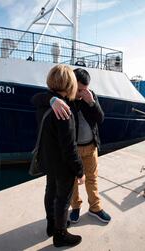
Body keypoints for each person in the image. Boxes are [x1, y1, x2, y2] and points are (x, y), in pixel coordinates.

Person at [33, 68, 111, 224]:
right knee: (73, 183)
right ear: (71, 85)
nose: (82, 92)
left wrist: (91, 102)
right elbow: (36, 99)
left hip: (90, 147)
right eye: (79, 89)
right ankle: (75, 207)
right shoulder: (65, 99)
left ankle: (95, 207)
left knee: (92, 179)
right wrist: (51, 100)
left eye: (85, 89)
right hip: (73, 150)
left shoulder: (90, 96)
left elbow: (100, 118)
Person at [32, 64, 85, 248]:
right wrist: (80, 171)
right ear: (70, 83)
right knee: (63, 199)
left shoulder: (44, 104)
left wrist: (51, 99)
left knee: (50, 192)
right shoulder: (63, 111)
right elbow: (70, 149)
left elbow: (35, 99)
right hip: (62, 166)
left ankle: (51, 225)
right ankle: (60, 235)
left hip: (48, 161)